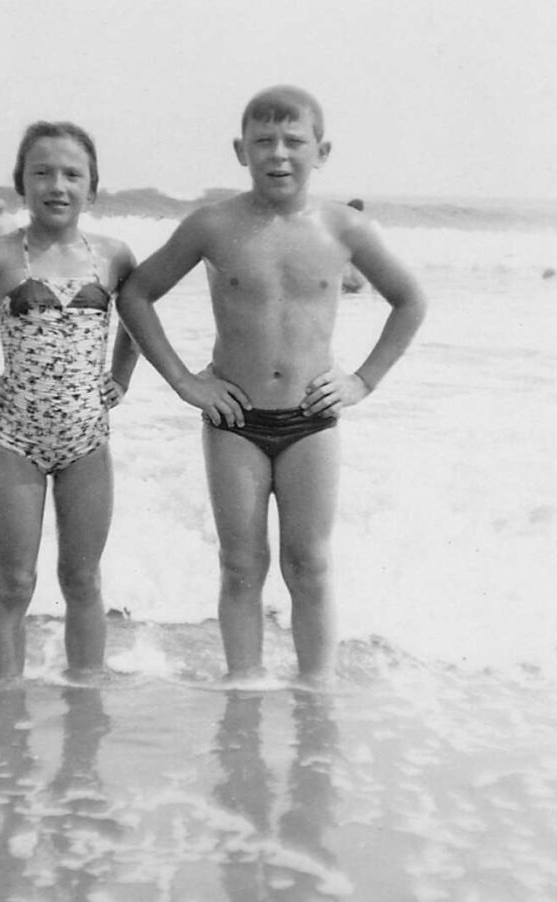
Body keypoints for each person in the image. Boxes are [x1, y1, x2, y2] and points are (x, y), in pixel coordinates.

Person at [118, 85, 427, 683]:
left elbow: (410, 300)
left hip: (312, 420)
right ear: (241, 150)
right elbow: (135, 293)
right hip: (234, 421)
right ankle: (245, 687)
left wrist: (363, 380)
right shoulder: (213, 225)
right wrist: (184, 381)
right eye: (263, 141)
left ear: (323, 150)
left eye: (294, 141)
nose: (278, 154)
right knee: (240, 565)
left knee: (309, 563)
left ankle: (317, 689)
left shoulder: (345, 228)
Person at [0, 121, 139, 685]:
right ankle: (3, 701)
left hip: (87, 442)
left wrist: (120, 377)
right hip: (16, 440)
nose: (57, 184)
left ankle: (86, 697)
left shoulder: (114, 257)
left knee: (83, 579)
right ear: (20, 182)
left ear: (92, 188)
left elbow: (140, 319)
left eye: (73, 174)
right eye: (42, 171)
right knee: (15, 582)